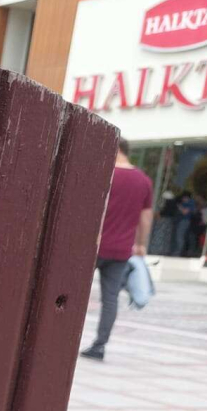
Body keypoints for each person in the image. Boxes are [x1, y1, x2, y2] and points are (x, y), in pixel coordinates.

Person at [81, 137, 153, 361]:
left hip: (94, 245)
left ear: (117, 149)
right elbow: (145, 218)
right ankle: (99, 346)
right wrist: (141, 244)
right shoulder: (143, 181)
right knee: (110, 298)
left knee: (77, 294)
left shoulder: (106, 175)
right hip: (121, 250)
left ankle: (65, 335)